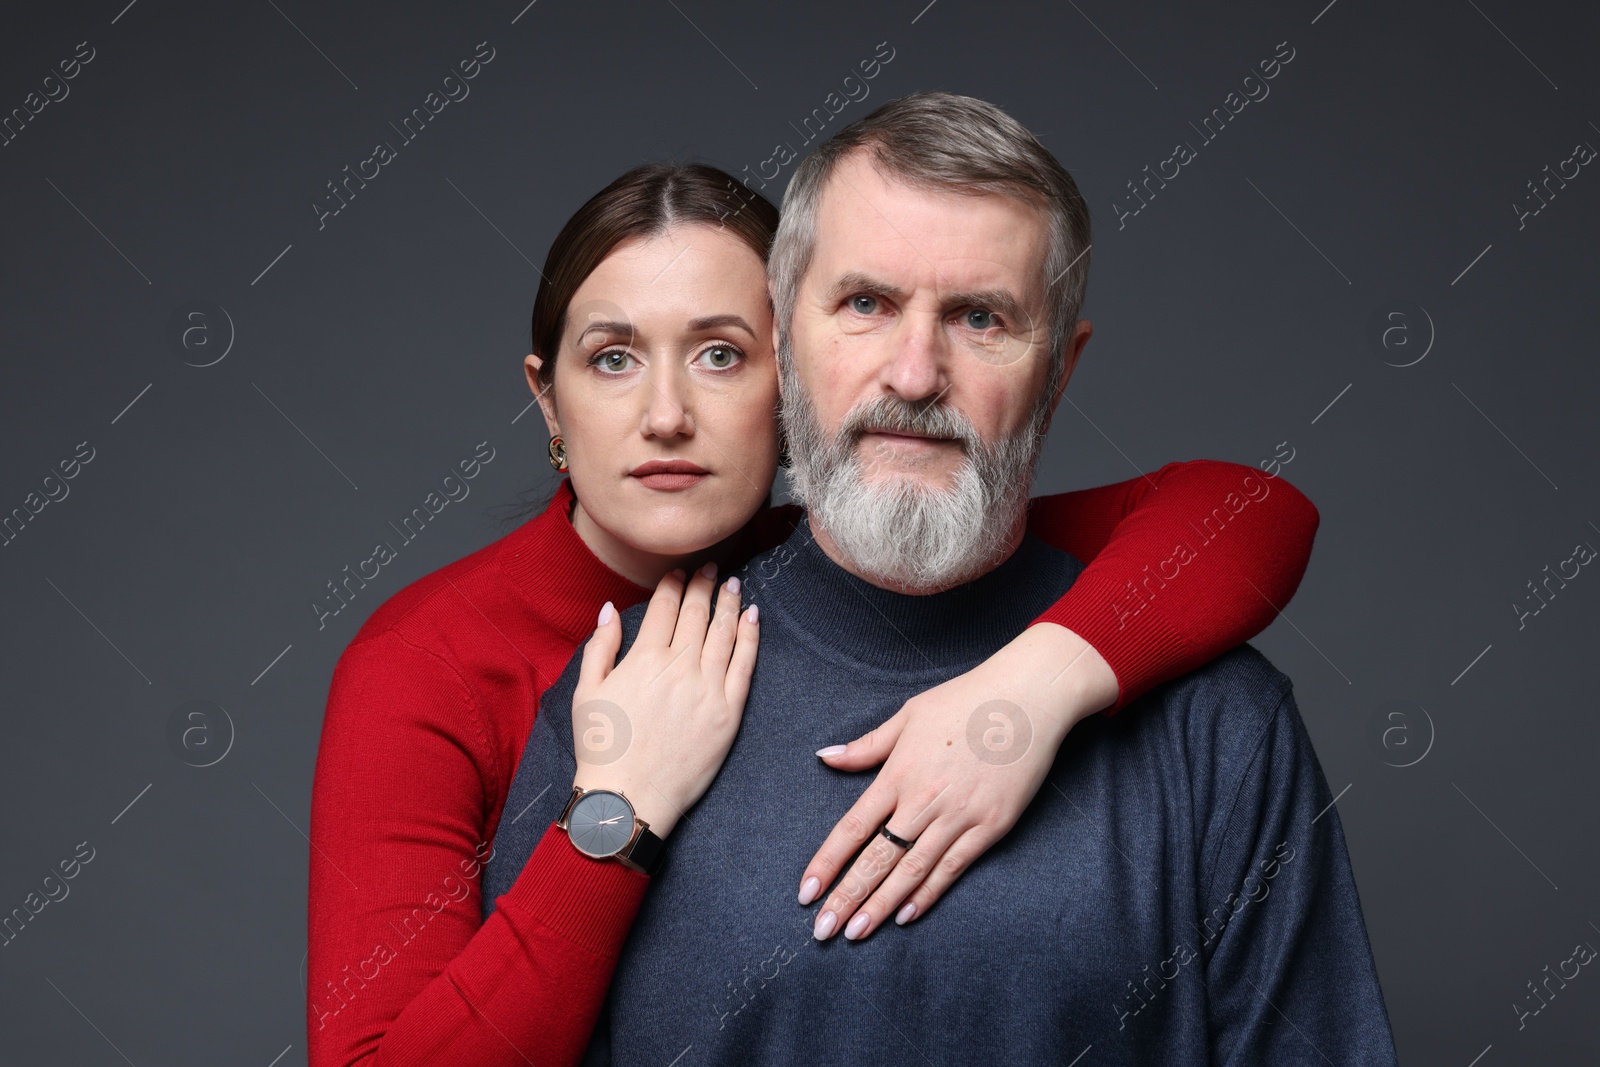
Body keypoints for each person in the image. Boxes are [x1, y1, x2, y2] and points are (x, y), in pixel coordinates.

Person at [307, 143, 1322, 1064]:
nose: (666, 414)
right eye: (613, 357)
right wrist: (620, 812)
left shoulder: (846, 555)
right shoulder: (427, 663)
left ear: (792, 379)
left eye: (720, 354)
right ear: (548, 399)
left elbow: (1245, 512)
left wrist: (1026, 692)